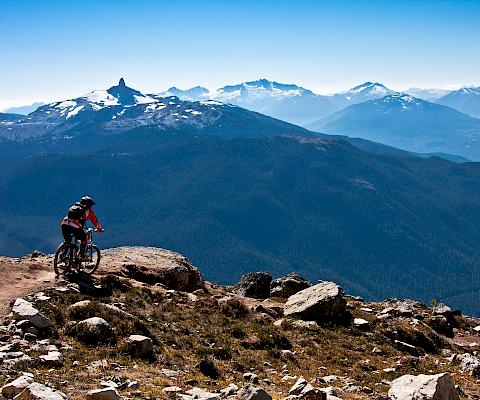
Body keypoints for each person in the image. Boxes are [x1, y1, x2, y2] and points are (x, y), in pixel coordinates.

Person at [60, 196, 104, 260]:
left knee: (68, 241)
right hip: (75, 226)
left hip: (64, 224)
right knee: (84, 238)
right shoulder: (89, 211)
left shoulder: (75, 207)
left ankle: (63, 255)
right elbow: (95, 220)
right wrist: (99, 228)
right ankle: (82, 255)